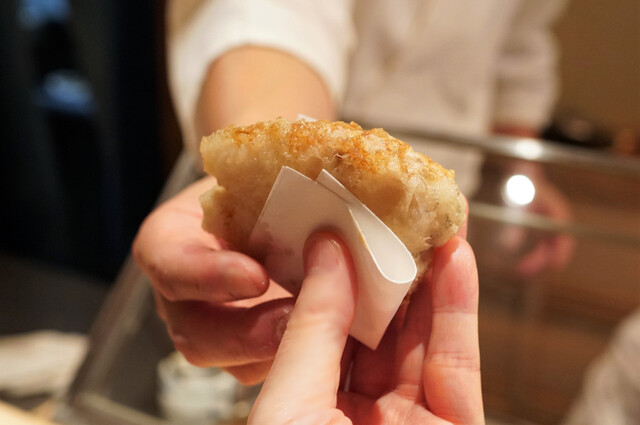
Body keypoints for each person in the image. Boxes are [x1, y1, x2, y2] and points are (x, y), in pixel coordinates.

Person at [134, 0, 572, 396]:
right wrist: (267, 180)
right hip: (321, 120)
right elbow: (272, 13)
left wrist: (521, 164)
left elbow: (521, 35)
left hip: (442, 199)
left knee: (408, 379)